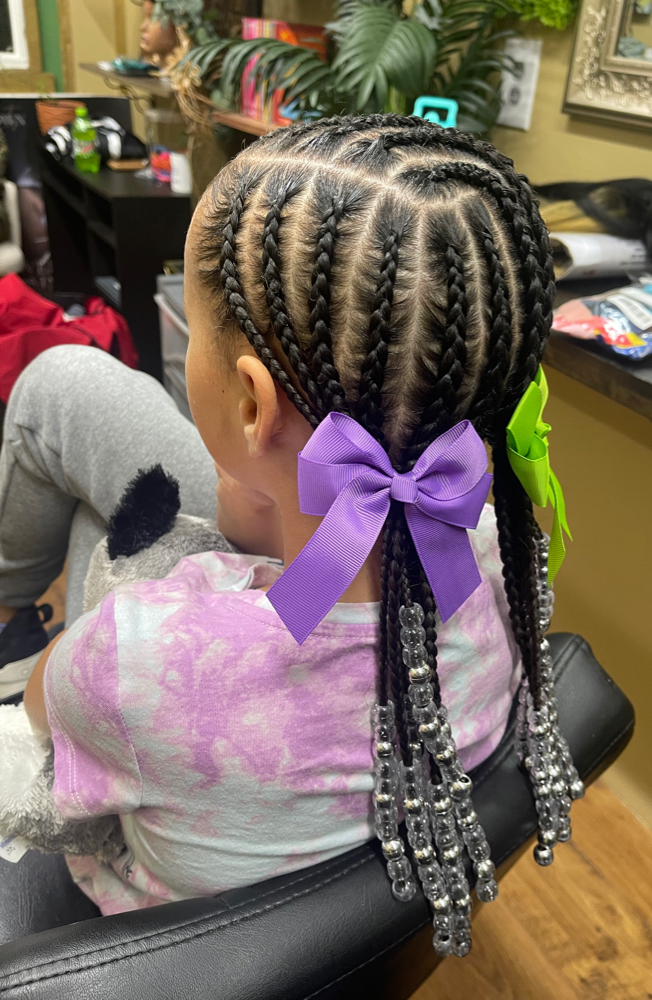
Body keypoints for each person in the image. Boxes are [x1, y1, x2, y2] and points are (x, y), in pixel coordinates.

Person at [0, 115, 570, 955]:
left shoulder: (136, 654)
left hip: (132, 874)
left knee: (72, 419)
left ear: (252, 404)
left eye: (192, 336)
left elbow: (44, 703)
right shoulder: (499, 565)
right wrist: (252, 517)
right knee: (88, 447)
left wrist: (155, 591)